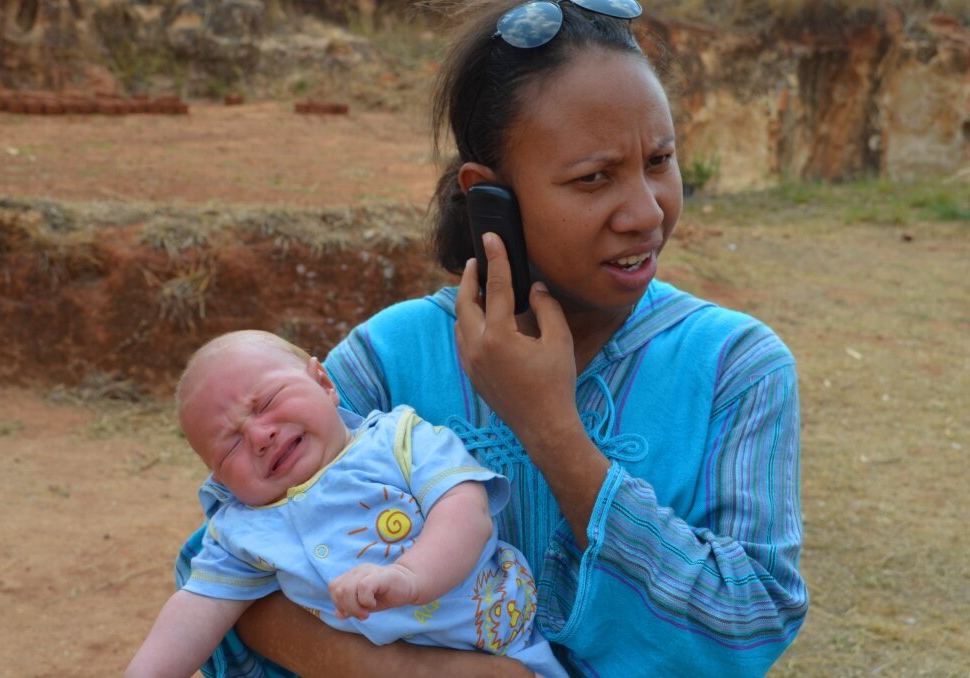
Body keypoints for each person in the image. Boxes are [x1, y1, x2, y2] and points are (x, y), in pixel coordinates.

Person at [176, 0, 809, 675]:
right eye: (594, 177)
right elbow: (219, 572)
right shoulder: (390, 359)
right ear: (490, 198)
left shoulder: (737, 368)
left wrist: (553, 431)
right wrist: (422, 673)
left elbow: (752, 620)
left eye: (659, 160)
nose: (646, 211)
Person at [127, 330, 567, 678]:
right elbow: (193, 611)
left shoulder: (398, 441)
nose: (260, 437)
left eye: (267, 403)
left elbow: (465, 510)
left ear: (323, 382)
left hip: (509, 653)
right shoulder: (243, 529)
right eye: (229, 446)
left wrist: (408, 576)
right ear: (219, 479)